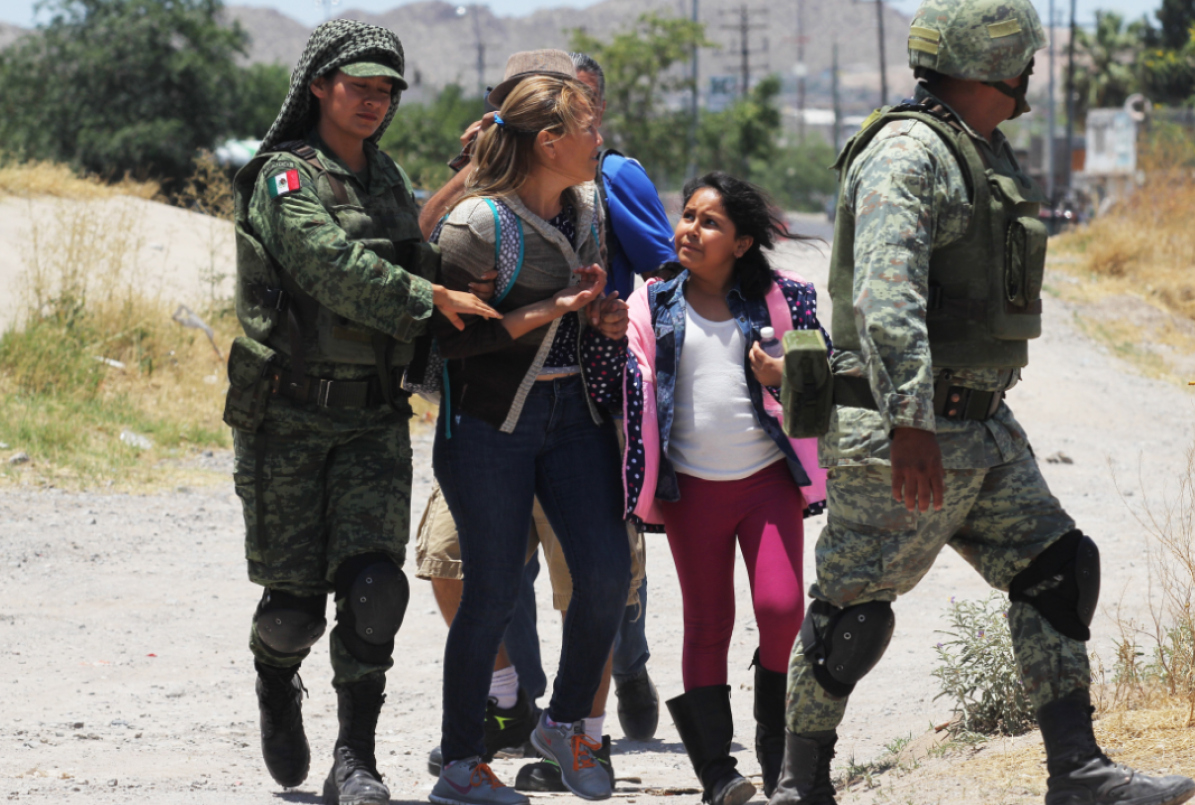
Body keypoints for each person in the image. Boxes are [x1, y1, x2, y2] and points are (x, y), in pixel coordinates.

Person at [769, 1, 1195, 804]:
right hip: (902, 426)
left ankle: (1076, 769)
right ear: (997, 64)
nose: (1031, 71)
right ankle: (801, 783)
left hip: (981, 427)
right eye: (1024, 58)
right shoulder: (907, 151)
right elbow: (887, 297)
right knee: (851, 616)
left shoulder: (975, 149)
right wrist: (910, 421)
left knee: (1057, 568)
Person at [225, 19, 499, 805]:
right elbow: (329, 265)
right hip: (288, 421)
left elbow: (417, 243)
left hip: (373, 417)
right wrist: (429, 297)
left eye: (387, 90)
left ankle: (356, 758)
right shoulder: (284, 179)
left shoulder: (386, 178)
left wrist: (467, 244)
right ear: (318, 86)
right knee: (292, 612)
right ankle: (276, 678)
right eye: (359, 86)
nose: (374, 101)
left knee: (378, 589)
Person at [414, 49, 675, 790]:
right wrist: (543, 310)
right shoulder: (476, 223)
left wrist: (599, 312)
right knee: (491, 588)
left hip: (573, 413)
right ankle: (462, 763)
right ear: (548, 143)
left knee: (604, 576)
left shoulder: (587, 207)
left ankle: (563, 726)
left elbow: (586, 311)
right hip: (490, 427)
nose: (603, 139)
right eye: (589, 127)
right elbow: (449, 342)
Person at [589, 172, 827, 805]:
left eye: (710, 222)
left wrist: (785, 374)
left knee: (781, 611)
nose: (690, 230)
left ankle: (779, 762)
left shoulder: (786, 300)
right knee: (708, 624)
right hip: (690, 492)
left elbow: (825, 384)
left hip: (767, 485)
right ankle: (718, 774)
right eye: (687, 216)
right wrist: (608, 334)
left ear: (742, 243)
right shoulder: (649, 303)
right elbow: (608, 383)